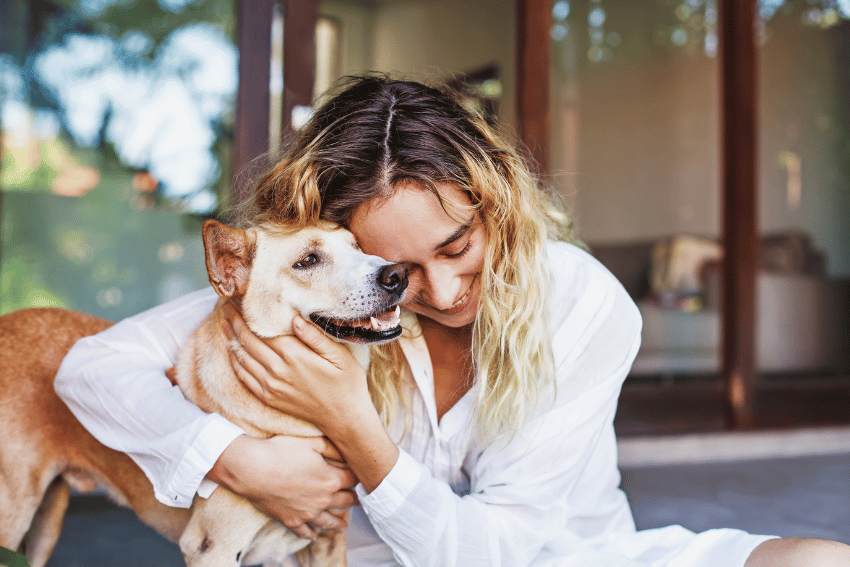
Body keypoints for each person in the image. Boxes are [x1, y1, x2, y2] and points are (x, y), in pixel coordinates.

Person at [55, 75, 850, 567]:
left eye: (458, 245)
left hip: (565, 557)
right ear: (341, 251)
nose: (440, 290)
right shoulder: (321, 289)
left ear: (494, 197)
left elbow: (491, 554)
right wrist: (235, 458)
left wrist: (349, 421)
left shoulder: (582, 301)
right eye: (396, 273)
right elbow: (88, 370)